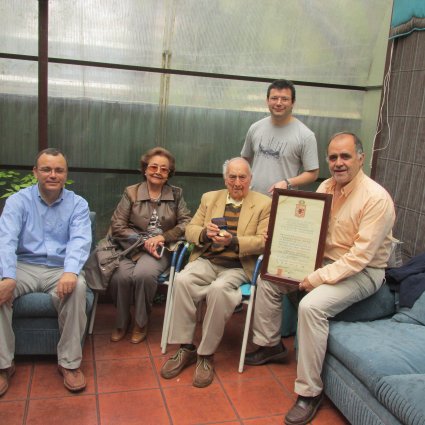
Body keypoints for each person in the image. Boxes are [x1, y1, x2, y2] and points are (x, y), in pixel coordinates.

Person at [245, 132, 396, 425]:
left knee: (311, 307)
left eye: (346, 156)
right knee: (269, 277)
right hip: (322, 260)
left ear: (361, 158)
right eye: (333, 157)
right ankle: (270, 345)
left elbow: (359, 258)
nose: (338, 163)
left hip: (363, 273)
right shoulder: (326, 186)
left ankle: (309, 393)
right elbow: (306, 227)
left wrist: (315, 278)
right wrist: (278, 234)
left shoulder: (376, 199)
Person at [160, 157, 271, 388]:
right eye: (232, 177)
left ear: (250, 179)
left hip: (239, 266)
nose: (237, 182)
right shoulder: (210, 198)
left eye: (242, 177)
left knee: (219, 290)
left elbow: (263, 242)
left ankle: (206, 355)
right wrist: (203, 234)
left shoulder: (263, 204)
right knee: (182, 280)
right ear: (225, 179)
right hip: (208, 261)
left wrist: (234, 241)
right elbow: (190, 229)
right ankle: (186, 347)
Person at [0, 148, 92, 396]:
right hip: (24, 266)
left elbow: (80, 241)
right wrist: (8, 276)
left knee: (79, 288)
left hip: (60, 268)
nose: (53, 174)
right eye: (46, 169)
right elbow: (5, 240)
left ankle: (70, 364)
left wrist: (71, 272)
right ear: (35, 172)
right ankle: (3, 365)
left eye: (59, 170)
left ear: (66, 173)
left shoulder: (78, 204)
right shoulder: (18, 201)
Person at [108, 147, 191, 344]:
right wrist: (143, 241)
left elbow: (186, 223)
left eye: (164, 169)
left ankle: (141, 322)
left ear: (169, 173)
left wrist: (163, 237)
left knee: (144, 274)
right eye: (153, 167)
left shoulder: (176, 195)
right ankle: (122, 321)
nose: (158, 172)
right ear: (145, 169)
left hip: (160, 250)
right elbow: (117, 225)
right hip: (131, 247)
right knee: (120, 275)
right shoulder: (131, 193)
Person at [241, 79, 319, 195]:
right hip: (253, 199)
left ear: (293, 102)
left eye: (284, 99)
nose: (278, 103)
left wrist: (288, 182)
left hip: (283, 202)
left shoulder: (305, 135)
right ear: (267, 101)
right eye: (274, 98)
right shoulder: (255, 128)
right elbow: (244, 159)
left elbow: (313, 173)